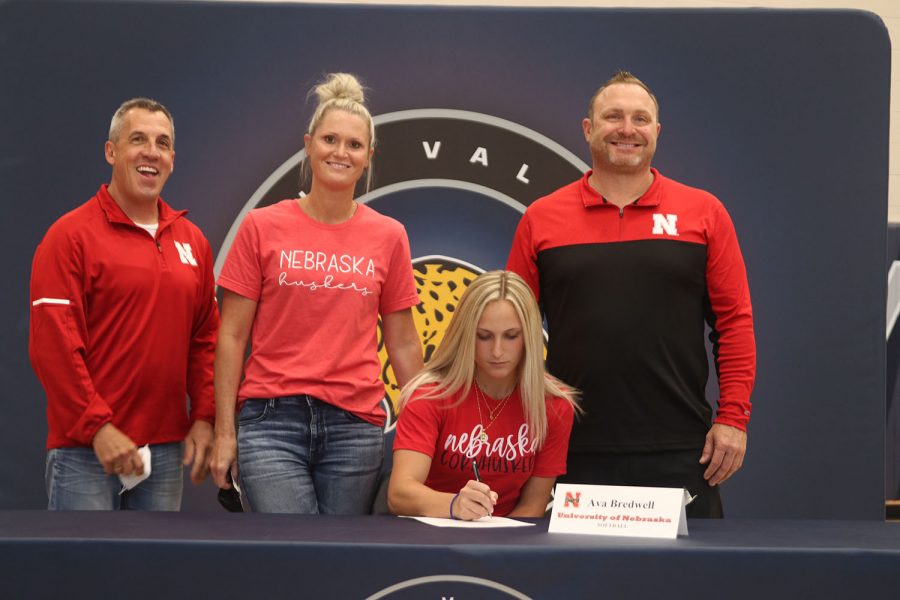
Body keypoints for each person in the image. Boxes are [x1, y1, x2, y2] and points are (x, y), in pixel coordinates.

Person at [507, 71, 756, 518]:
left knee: (684, 587)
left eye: (640, 119)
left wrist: (733, 418)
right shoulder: (541, 219)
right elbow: (510, 331)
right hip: (571, 446)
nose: (627, 129)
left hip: (682, 448)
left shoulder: (704, 213)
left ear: (656, 133)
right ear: (588, 129)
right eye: (613, 117)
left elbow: (734, 323)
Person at [210, 73, 423, 514]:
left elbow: (403, 343)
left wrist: (426, 430)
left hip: (355, 428)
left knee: (343, 566)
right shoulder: (261, 226)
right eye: (329, 139)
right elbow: (230, 337)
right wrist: (224, 431)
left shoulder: (389, 236)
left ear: (369, 156)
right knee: (293, 556)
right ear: (308, 145)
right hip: (270, 424)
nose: (340, 152)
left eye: (354, 144)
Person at [29, 98, 218, 510]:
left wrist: (205, 415)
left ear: (171, 158)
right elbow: (53, 347)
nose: (151, 152)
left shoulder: (192, 242)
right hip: (86, 451)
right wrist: (98, 428)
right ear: (111, 151)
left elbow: (206, 339)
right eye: (138, 140)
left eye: (162, 143)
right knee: (86, 574)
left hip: (165, 452)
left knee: (153, 574)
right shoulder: (69, 236)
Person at [388, 270, 578, 520]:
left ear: (529, 337)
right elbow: (400, 494)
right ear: (466, 335)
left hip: (506, 546)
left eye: (511, 336)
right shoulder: (430, 396)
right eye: (484, 336)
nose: (497, 351)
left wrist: (494, 551)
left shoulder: (554, 406)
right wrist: (455, 505)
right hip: (431, 536)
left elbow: (533, 506)